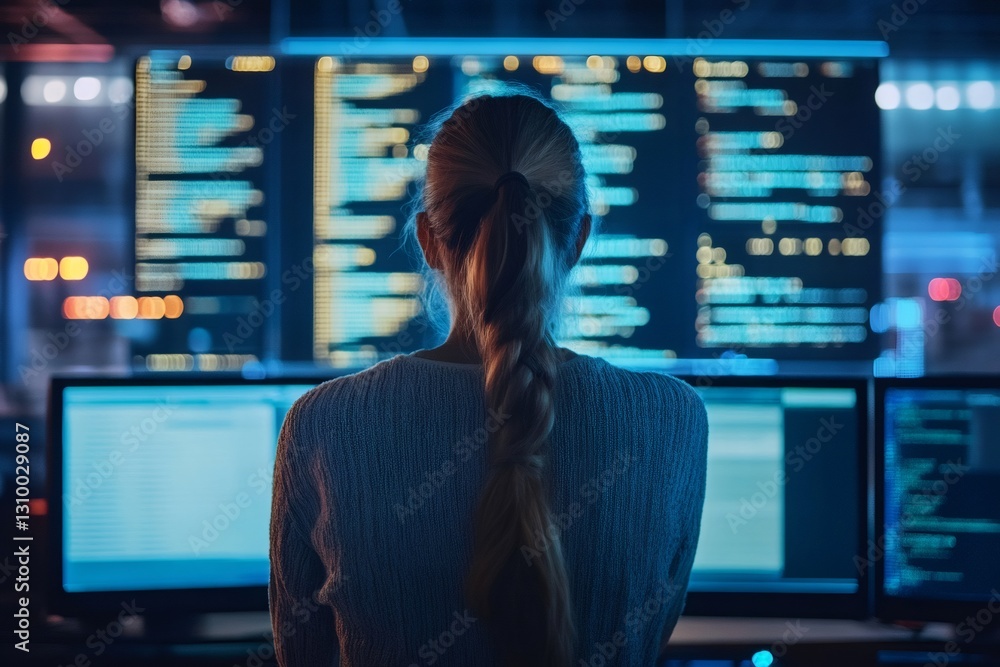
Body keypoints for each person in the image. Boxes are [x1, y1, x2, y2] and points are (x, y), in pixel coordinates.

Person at [269, 92, 708, 666]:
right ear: (578, 239)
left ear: (427, 240)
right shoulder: (671, 420)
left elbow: (300, 655)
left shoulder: (322, 426)